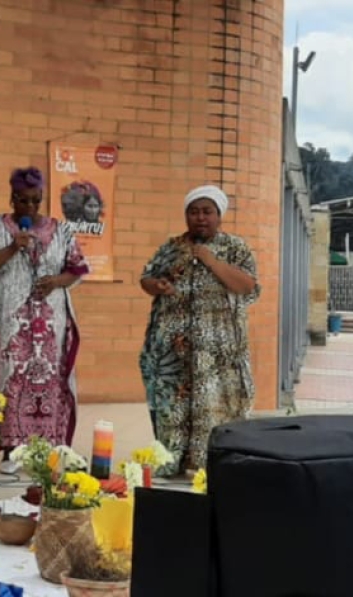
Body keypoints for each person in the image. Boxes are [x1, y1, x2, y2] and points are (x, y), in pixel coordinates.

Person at [0, 167, 90, 474]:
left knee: (52, 382)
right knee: (11, 380)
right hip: (11, 325)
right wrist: (12, 247)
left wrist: (56, 281)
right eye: (23, 201)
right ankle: (12, 451)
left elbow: (77, 268)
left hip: (50, 325)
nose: (31, 207)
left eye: (36, 201)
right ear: (12, 198)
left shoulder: (60, 229)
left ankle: (52, 448)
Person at [138, 184, 259, 477]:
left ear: (219, 215)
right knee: (172, 407)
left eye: (207, 212)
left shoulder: (235, 248)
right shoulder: (171, 247)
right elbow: (147, 278)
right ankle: (171, 461)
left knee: (214, 406)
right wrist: (158, 285)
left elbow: (248, 286)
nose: (200, 218)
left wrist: (211, 261)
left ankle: (207, 466)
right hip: (171, 350)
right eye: (194, 212)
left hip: (217, 349)